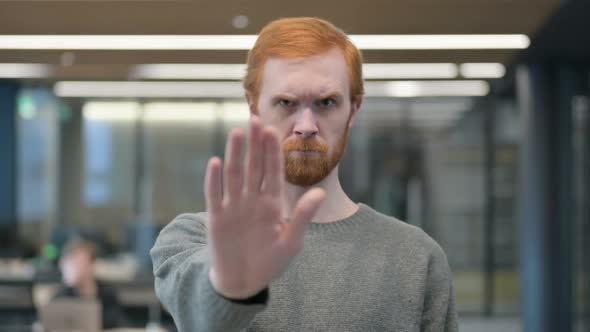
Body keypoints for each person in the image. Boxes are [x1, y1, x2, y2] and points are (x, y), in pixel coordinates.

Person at [150, 17, 458, 331]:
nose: (307, 125)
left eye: (327, 103)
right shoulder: (192, 238)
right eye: (286, 102)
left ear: (353, 109)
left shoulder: (417, 257)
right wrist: (229, 289)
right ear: (253, 105)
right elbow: (200, 317)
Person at [53, 238, 126, 329]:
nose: (78, 267)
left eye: (81, 262)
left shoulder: (107, 292)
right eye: (74, 263)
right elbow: (53, 319)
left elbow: (114, 321)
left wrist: (89, 293)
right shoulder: (64, 292)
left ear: (92, 265)